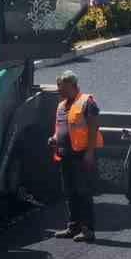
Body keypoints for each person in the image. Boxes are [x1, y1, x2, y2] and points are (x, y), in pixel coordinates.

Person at [48, 71, 101, 242]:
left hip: (81, 155)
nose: (59, 91)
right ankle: (73, 226)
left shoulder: (87, 102)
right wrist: (54, 139)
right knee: (70, 192)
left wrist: (90, 152)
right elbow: (60, 128)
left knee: (83, 192)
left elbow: (93, 128)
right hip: (66, 156)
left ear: (72, 85)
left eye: (62, 88)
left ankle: (87, 230)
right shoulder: (62, 105)